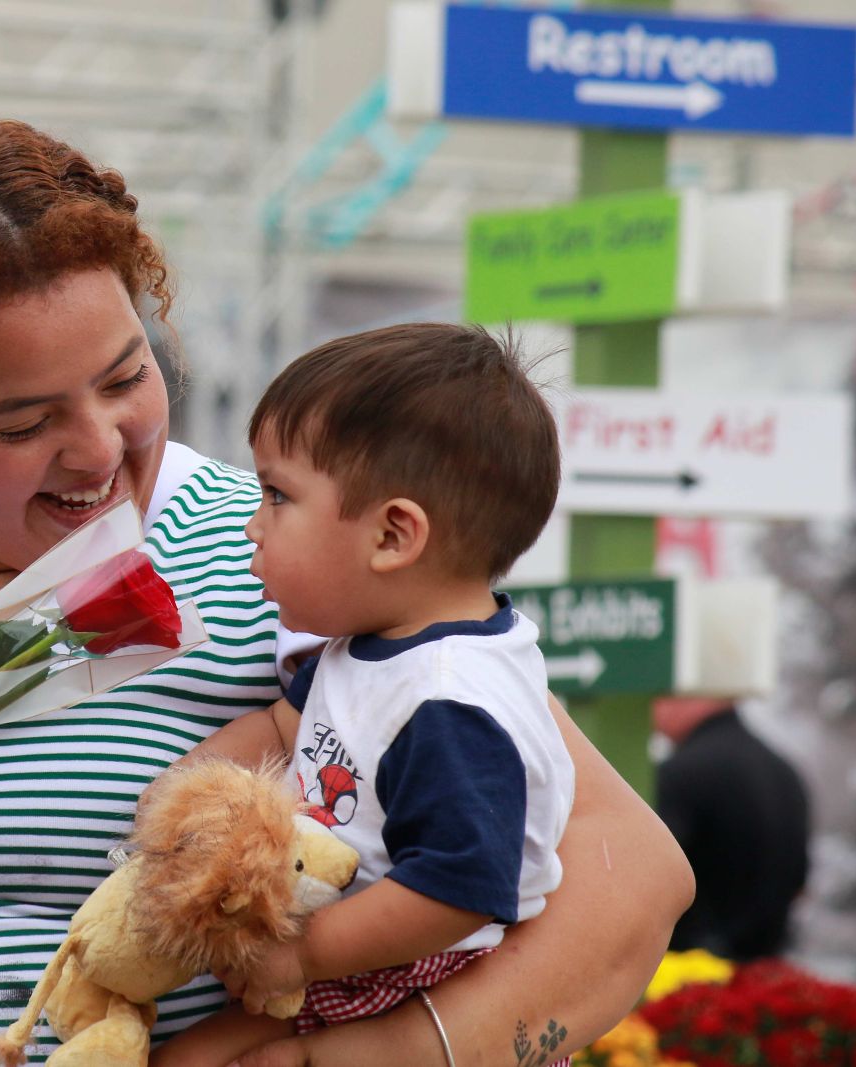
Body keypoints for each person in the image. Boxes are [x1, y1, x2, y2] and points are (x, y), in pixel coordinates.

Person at [0, 120, 693, 1067]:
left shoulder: (300, 558)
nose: (99, 446)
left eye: (124, 375)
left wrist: (356, 1058)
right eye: (23, 420)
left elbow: (626, 875)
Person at [147, 324, 574, 1067]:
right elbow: (284, 728)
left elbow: (459, 889)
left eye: (278, 496)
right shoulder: (370, 644)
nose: (251, 526)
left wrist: (305, 955)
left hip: (414, 968)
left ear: (392, 536)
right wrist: (185, 795)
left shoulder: (451, 704)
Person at [653, 695, 809, 961]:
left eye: (662, 697)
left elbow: (655, 873)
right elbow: (799, 878)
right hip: (766, 970)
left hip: (689, 973)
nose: (654, 711)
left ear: (694, 697)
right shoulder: (782, 769)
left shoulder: (682, 772)